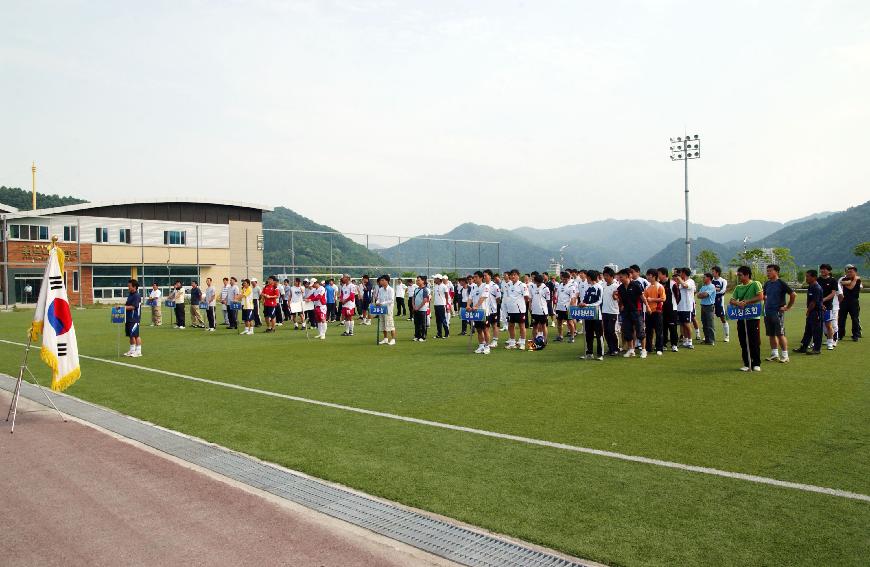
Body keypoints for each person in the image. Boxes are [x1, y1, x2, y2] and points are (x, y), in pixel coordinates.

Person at [730, 265, 764, 372]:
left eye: (740, 275)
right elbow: (732, 300)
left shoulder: (755, 284)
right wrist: (737, 303)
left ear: (747, 275)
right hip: (741, 317)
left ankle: (756, 363)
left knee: (754, 340)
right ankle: (747, 362)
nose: (739, 277)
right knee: (743, 341)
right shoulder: (738, 287)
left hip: (753, 317)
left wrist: (746, 302)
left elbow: (760, 296)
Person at [762, 264, 796, 363]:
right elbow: (763, 295)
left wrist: (787, 307)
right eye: (767, 271)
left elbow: (793, 294)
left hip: (777, 312)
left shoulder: (781, 283)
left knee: (780, 334)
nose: (768, 273)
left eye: (770, 271)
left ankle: (785, 356)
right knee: (771, 334)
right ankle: (774, 354)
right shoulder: (767, 284)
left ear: (776, 272)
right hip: (768, 312)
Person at [616, 268, 649, 358]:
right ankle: (631, 350)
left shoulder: (636, 285)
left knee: (640, 331)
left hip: (636, 311)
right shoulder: (620, 288)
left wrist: (648, 307)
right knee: (627, 331)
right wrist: (620, 304)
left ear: (627, 276)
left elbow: (642, 297)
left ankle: (643, 350)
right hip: (626, 312)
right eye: (619, 277)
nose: (619, 278)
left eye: (621, 277)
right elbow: (621, 301)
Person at [795, 269, 825, 355]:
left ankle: (816, 349)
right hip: (812, 312)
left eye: (808, 276)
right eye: (806, 276)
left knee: (816, 331)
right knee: (808, 330)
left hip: (816, 312)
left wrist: (808, 311)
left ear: (814, 277)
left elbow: (814, 302)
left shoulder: (816, 287)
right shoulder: (811, 286)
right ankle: (804, 347)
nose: (806, 278)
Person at [579, 270, 604, 360]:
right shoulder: (588, 288)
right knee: (588, 334)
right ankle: (589, 353)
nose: (586, 279)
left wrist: (587, 305)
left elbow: (599, 301)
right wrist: (581, 303)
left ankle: (600, 354)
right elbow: (585, 300)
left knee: (599, 335)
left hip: (597, 315)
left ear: (589, 277)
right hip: (588, 315)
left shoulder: (599, 287)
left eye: (587, 277)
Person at [503, 269, 528, 350]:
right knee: (511, 326)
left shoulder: (522, 285)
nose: (513, 276)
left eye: (515, 275)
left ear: (518, 275)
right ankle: (512, 342)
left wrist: (520, 304)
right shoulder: (508, 285)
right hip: (510, 310)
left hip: (519, 310)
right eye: (512, 275)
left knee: (521, 326)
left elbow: (526, 297)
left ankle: (522, 343)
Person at [643, 269, 666, 355]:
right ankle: (649, 348)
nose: (647, 277)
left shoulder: (660, 286)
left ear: (654, 276)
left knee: (658, 331)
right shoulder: (647, 287)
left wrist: (652, 299)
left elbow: (663, 299)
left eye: (649, 275)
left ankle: (659, 348)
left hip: (657, 311)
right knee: (648, 331)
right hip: (648, 311)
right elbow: (644, 298)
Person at [467, 271, 491, 353]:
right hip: (475, 312)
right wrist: (468, 305)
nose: (474, 278)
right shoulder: (473, 287)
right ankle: (481, 345)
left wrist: (476, 306)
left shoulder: (486, 286)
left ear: (481, 278)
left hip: (483, 311)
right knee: (479, 330)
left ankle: (487, 346)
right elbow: (470, 297)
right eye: (474, 277)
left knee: (485, 329)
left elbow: (483, 297)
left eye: (476, 277)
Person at [838, 264, 862, 341]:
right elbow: (850, 286)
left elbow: (850, 286)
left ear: (855, 272)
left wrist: (852, 281)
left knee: (855, 319)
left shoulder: (858, 280)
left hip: (854, 302)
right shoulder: (845, 279)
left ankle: (856, 335)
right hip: (844, 301)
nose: (849, 273)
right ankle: (840, 334)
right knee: (841, 319)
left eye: (851, 272)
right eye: (848, 272)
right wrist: (854, 280)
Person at [600, 267, 621, 356]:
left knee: (611, 331)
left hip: (613, 311)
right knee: (606, 331)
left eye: (607, 276)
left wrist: (615, 297)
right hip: (604, 311)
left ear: (612, 276)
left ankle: (615, 348)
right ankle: (610, 348)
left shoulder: (616, 286)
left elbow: (619, 299)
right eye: (604, 275)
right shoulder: (603, 286)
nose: (605, 277)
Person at [818, 264, 838, 349]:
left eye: (824, 269)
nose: (822, 271)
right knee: (816, 325)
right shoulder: (818, 280)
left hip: (827, 306)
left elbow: (833, 293)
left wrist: (823, 300)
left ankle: (830, 342)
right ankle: (816, 342)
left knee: (828, 325)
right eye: (821, 269)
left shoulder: (833, 280)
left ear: (829, 271)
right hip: (817, 306)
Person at [658, 268, 679, 352]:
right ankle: (664, 344)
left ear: (664, 274)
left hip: (672, 309)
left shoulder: (673, 284)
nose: (658, 275)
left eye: (659, 274)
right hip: (661, 310)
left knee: (673, 327)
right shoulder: (658, 284)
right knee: (663, 327)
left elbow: (678, 296)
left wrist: (673, 304)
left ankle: (674, 345)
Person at [675, 268, 696, 349]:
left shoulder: (690, 281)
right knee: (682, 325)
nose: (680, 275)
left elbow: (685, 285)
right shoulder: (681, 282)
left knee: (687, 324)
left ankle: (690, 342)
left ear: (684, 273)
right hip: (680, 307)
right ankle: (685, 341)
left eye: (681, 273)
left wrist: (679, 279)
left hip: (687, 307)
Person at [554, 271, 577, 343]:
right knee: (559, 322)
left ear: (569, 278)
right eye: (563, 279)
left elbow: (573, 298)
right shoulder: (560, 285)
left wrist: (570, 308)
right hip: (559, 307)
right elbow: (557, 297)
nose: (564, 280)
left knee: (570, 322)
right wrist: (555, 306)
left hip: (567, 308)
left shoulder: (571, 287)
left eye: (566, 279)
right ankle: (560, 336)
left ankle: (572, 337)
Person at [529, 273, 551, 346]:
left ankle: (545, 340)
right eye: (536, 282)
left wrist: (542, 305)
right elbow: (530, 298)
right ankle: (533, 340)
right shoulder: (532, 287)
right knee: (534, 326)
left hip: (543, 311)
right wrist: (530, 306)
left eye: (539, 282)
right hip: (534, 311)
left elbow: (548, 300)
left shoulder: (545, 288)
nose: (537, 283)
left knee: (543, 325)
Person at [123, 279, 143, 357]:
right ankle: (132, 350)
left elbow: (133, 307)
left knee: (136, 335)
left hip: (134, 318)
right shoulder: (130, 295)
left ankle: (138, 351)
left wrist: (123, 308)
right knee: (130, 335)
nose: (128, 287)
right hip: (128, 318)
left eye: (129, 286)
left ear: (134, 287)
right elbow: (127, 305)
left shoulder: (136, 295)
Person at [375, 275, 397, 345]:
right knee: (383, 324)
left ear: (387, 281)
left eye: (382, 280)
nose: (381, 282)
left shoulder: (391, 290)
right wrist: (377, 302)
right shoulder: (380, 289)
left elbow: (391, 300)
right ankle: (385, 339)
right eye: (381, 280)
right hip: (381, 309)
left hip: (388, 309)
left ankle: (393, 339)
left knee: (390, 324)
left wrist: (382, 303)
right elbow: (378, 298)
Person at [697, 273, 717, 345]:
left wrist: (702, 294)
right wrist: (702, 294)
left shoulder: (712, 286)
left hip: (709, 306)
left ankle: (711, 340)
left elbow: (705, 295)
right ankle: (707, 339)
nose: (703, 278)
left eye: (704, 277)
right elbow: (698, 295)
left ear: (709, 278)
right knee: (704, 324)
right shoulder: (703, 287)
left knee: (710, 324)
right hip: (703, 306)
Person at [712, 266, 730, 342]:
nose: (712, 272)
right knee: (710, 319)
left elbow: (723, 291)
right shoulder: (711, 280)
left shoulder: (723, 281)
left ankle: (727, 336)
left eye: (713, 271)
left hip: (719, 302)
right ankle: (710, 335)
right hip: (711, 301)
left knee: (723, 318)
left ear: (717, 272)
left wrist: (713, 289)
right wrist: (715, 289)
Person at [484, 270, 499, 347]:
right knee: (486, 326)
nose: (484, 277)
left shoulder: (495, 286)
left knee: (494, 325)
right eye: (484, 275)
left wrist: (494, 305)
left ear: (490, 276)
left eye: (485, 275)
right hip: (485, 310)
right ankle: (485, 341)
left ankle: (495, 341)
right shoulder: (483, 285)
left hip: (493, 309)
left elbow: (498, 298)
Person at [412, 275, 430, 342]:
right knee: (416, 323)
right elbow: (413, 298)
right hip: (416, 309)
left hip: (422, 309)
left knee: (423, 324)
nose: (417, 281)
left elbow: (425, 300)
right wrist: (413, 306)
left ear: (423, 281)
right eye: (417, 280)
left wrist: (418, 307)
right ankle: (417, 336)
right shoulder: (416, 289)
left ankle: (423, 336)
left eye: (419, 280)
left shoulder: (425, 290)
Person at [432, 274, 450, 339]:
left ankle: (447, 333)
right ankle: (439, 334)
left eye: (435, 279)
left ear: (439, 279)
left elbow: (447, 296)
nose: (434, 280)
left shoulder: (444, 286)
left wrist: (447, 304)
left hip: (442, 305)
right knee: (438, 320)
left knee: (443, 319)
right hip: (436, 304)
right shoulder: (435, 286)